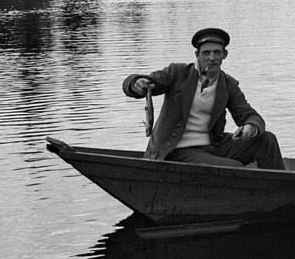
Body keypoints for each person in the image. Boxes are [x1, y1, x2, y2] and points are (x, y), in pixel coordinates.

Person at [122, 27, 286, 169]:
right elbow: (147, 82)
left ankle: (279, 190)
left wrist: (251, 127)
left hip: (212, 147)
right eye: (206, 53)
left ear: (225, 55)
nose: (212, 58)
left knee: (266, 140)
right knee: (233, 168)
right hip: (176, 150)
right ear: (197, 55)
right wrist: (135, 83)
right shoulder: (177, 73)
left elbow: (249, 115)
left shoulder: (228, 84)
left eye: (217, 52)